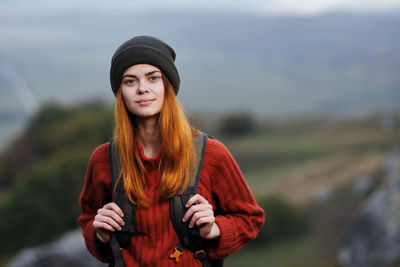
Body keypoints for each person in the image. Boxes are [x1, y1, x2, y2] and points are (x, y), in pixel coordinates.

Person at [77, 35, 264, 267]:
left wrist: (214, 228)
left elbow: (250, 218)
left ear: (168, 85)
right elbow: (88, 220)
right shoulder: (103, 160)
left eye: (153, 78)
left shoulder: (212, 155)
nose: (142, 89)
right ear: (121, 93)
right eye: (130, 81)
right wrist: (99, 234)